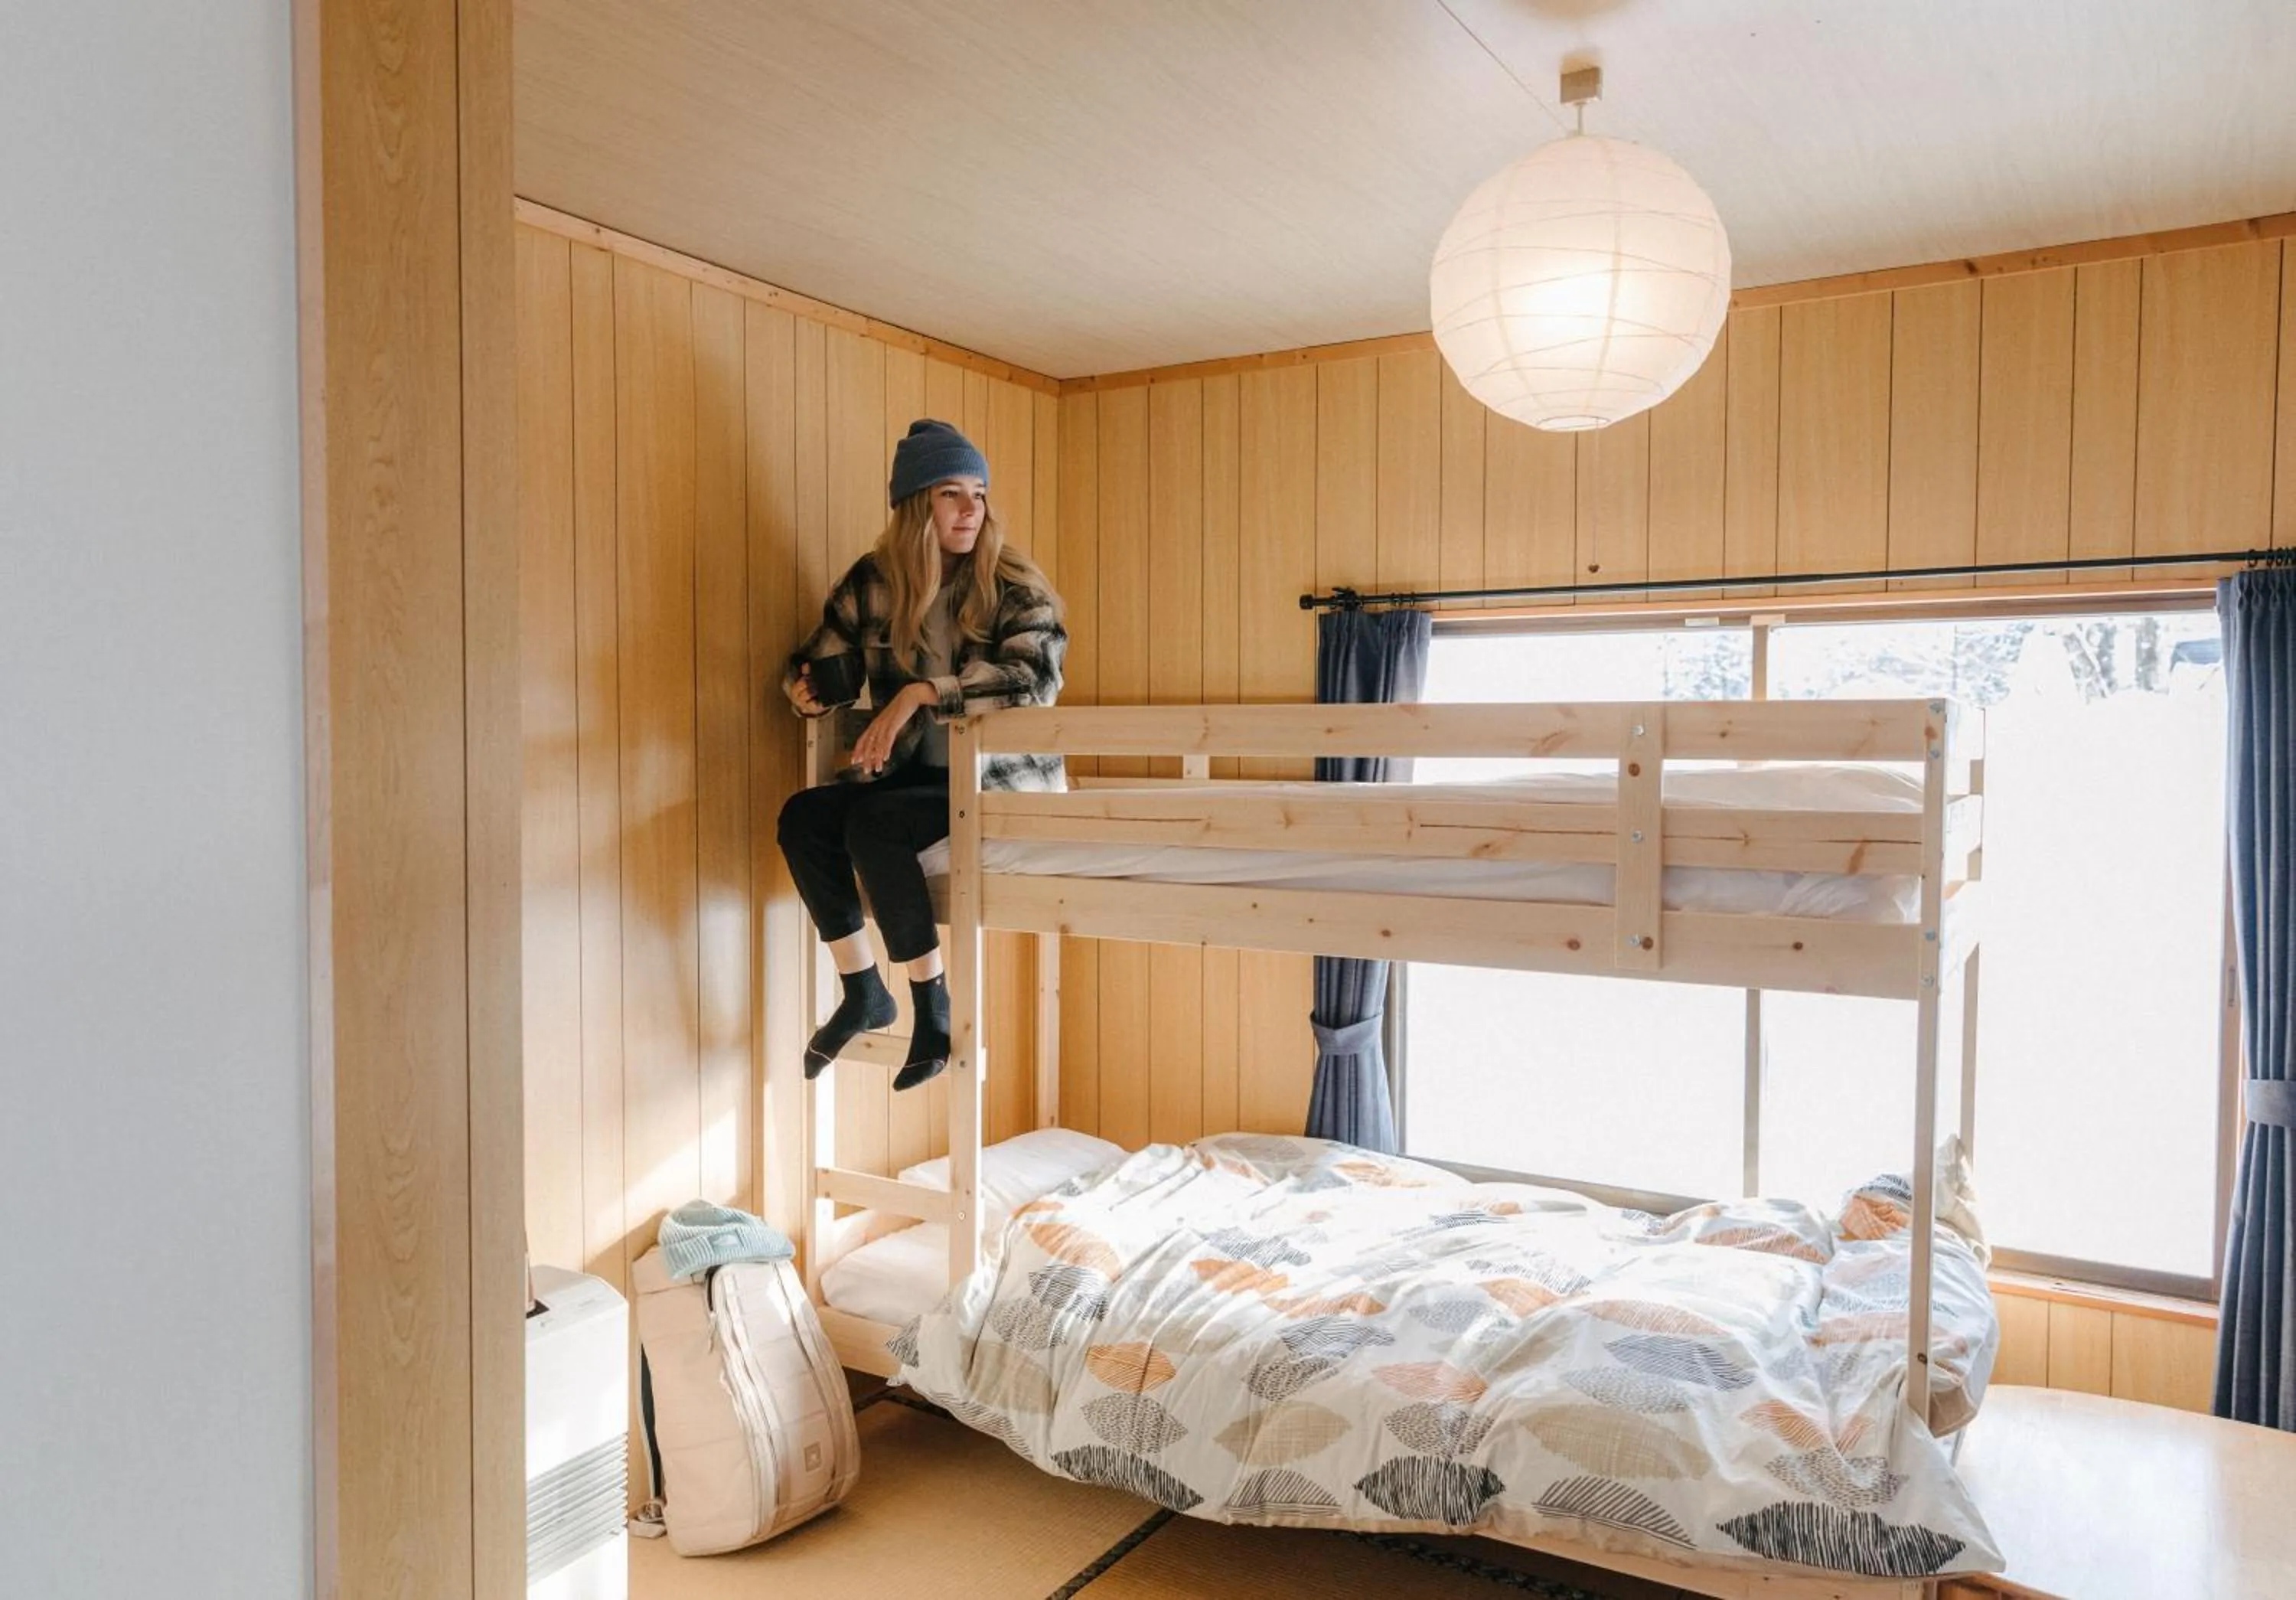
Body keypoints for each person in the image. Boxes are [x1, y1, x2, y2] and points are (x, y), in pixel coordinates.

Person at [777, 419, 1067, 1090]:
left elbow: (1032, 684)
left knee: (874, 826)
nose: (972, 510)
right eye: (950, 494)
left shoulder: (1015, 587)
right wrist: (807, 694)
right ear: (915, 506)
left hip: (996, 785)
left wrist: (917, 694)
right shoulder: (876, 582)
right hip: (913, 777)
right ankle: (862, 992)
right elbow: (822, 662)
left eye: (980, 494)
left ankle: (932, 1009)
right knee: (804, 817)